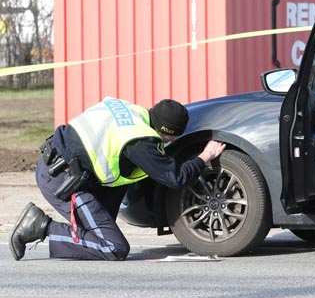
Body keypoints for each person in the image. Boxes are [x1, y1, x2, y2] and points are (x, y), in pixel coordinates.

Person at [9, 97, 225, 261]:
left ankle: (78, 235)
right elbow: (175, 177)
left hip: (59, 164)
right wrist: (205, 156)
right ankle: (41, 226)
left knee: (98, 232)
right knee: (113, 247)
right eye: (172, 138)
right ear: (166, 132)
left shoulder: (131, 112)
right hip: (64, 182)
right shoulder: (139, 143)